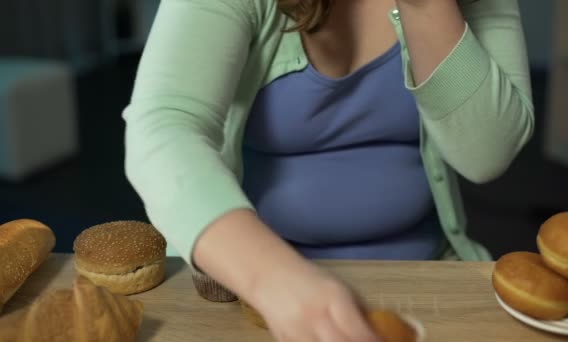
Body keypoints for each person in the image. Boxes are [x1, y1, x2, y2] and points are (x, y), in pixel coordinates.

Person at [122, 0, 534, 340]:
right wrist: (275, 279)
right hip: (246, 289)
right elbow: (164, 126)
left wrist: (427, 6)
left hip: (429, 278)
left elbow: (486, 155)